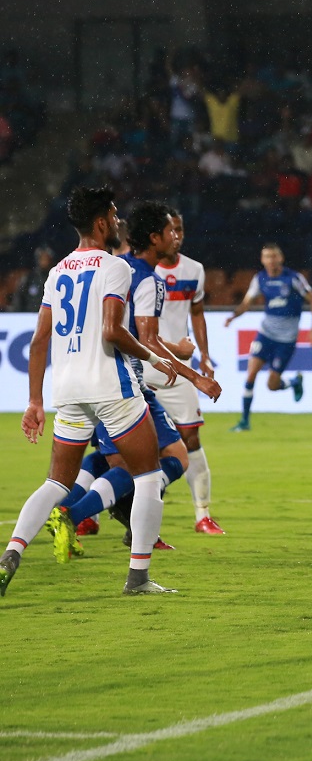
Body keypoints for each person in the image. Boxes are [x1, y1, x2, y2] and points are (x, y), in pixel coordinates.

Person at [1, 187, 180, 596]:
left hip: (67, 389)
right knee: (150, 476)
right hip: (110, 386)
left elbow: (38, 342)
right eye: (115, 216)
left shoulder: (58, 270)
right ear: (101, 222)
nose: (119, 223)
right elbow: (113, 331)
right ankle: (138, 578)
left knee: (56, 484)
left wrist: (34, 401)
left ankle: (11, 553)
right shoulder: (116, 268)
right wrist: (154, 361)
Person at [59, 202, 222, 550]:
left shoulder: (117, 268)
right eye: (170, 232)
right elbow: (144, 339)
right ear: (154, 238)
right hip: (122, 382)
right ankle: (76, 517)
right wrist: (197, 377)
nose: (175, 237)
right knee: (150, 464)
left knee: (119, 458)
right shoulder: (149, 280)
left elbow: (131, 330)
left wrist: (174, 351)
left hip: (93, 375)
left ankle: (75, 512)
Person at [149, 210, 224, 534]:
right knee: (128, 445)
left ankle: (202, 515)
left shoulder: (194, 270)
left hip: (180, 370)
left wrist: (204, 355)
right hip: (143, 365)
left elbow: (197, 313)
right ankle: (91, 518)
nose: (177, 236)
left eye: (180, 230)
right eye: (171, 230)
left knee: (191, 436)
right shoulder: (140, 271)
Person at [224, 243, 312, 431]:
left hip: (286, 340)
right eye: (267, 257)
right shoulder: (259, 279)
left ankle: (293, 382)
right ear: (262, 260)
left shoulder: (293, 278)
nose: (271, 260)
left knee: (272, 385)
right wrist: (233, 316)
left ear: (281, 258)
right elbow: (246, 303)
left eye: (274, 256)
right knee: (251, 373)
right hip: (266, 334)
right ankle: (244, 421)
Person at [9, 245, 53, 313]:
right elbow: (19, 297)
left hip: (47, 316)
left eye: (46, 258)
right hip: (29, 316)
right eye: (42, 258)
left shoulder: (53, 277)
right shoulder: (29, 278)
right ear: (37, 259)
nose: (44, 261)